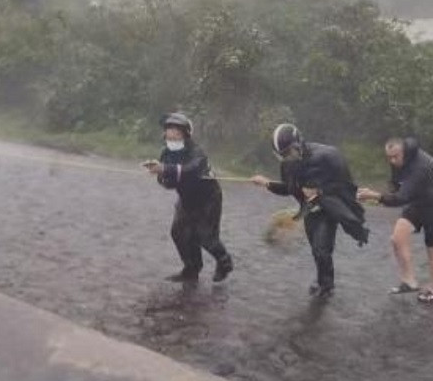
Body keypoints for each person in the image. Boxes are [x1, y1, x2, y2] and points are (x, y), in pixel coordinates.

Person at [250, 123, 369, 298]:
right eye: (282, 155)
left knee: (322, 249)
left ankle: (327, 287)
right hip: (309, 210)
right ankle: (323, 279)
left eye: (289, 152)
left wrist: (320, 191)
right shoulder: (287, 165)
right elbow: (289, 188)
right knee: (317, 249)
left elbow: (346, 187)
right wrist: (267, 183)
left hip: (329, 209)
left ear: (299, 142)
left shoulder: (329, 156)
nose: (287, 157)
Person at [357, 137, 433, 304]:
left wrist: (375, 196)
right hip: (420, 199)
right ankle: (409, 281)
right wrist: (391, 190)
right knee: (397, 238)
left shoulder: (420, 167)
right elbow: (396, 184)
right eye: (389, 157)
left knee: (431, 246)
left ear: (404, 151)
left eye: (396, 156)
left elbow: (401, 198)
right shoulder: (399, 158)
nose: (392, 161)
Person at [143, 112, 233, 283]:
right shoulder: (166, 154)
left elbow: (190, 170)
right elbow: (167, 183)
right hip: (186, 199)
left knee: (206, 237)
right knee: (179, 232)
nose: (171, 134)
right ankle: (192, 269)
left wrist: (165, 169)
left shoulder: (197, 152)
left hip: (208, 199)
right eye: (169, 130)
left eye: (176, 131)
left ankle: (224, 262)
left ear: (185, 134)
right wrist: (161, 175)